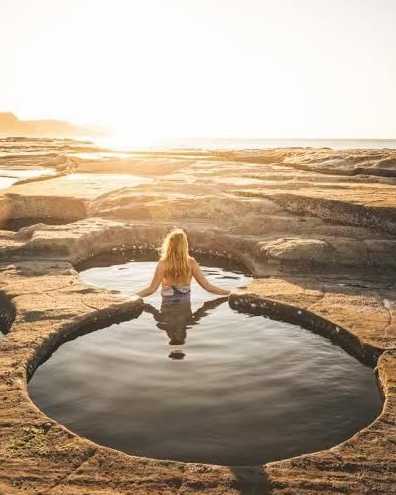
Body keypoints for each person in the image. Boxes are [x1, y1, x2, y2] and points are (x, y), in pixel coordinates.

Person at [135, 228, 231, 300]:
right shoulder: (191, 263)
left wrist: (131, 297)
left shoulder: (163, 264)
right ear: (185, 245)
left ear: (169, 245)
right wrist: (229, 293)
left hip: (167, 311)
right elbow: (208, 287)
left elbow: (151, 290)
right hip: (184, 309)